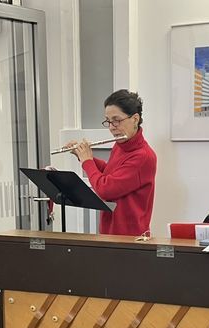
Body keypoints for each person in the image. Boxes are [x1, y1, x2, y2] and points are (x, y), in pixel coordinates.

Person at [65, 89, 157, 236]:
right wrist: (82, 155)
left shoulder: (143, 156)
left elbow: (105, 189)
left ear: (135, 119)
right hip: (110, 232)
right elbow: (111, 172)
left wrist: (87, 161)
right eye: (108, 121)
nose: (111, 127)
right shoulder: (121, 145)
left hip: (129, 238)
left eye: (116, 120)